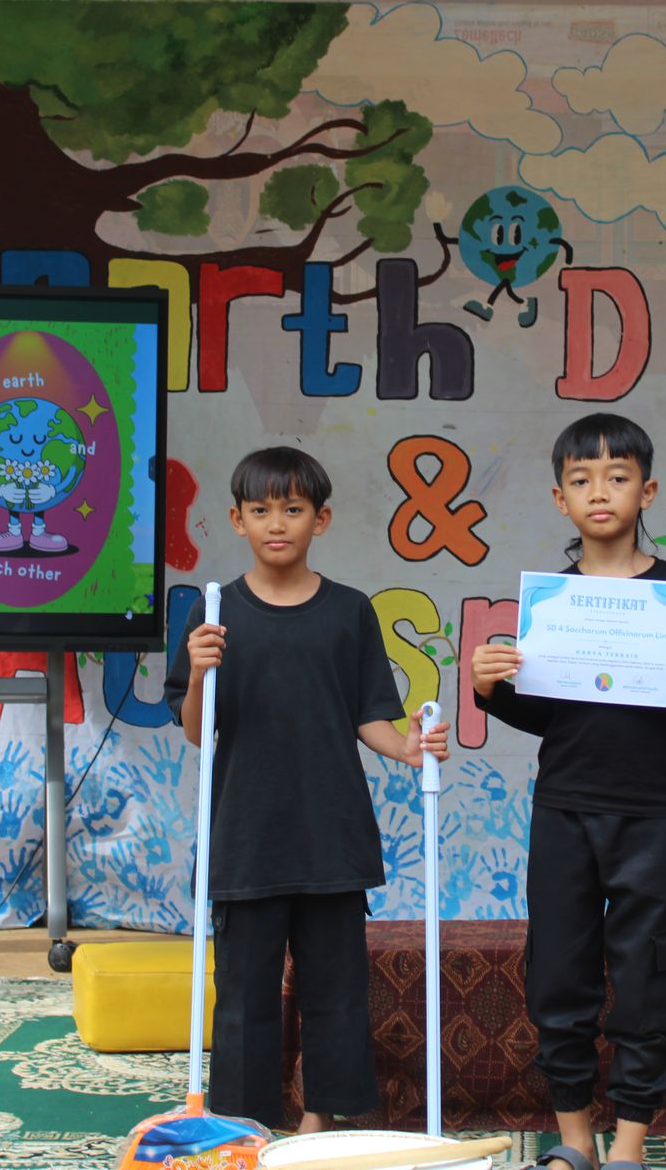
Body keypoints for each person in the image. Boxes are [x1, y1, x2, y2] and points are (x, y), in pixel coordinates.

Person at [471, 413, 666, 1170]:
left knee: (646, 973)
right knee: (557, 972)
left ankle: (628, 1145)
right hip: (563, 807)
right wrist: (489, 689)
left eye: (618, 476)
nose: (600, 492)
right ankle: (576, 1143)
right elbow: (546, 714)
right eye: (582, 479)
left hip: (652, 811)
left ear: (647, 491)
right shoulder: (551, 601)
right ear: (560, 499)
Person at [164, 445, 450, 1133]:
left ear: (320, 519)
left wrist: (408, 749)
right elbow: (199, 732)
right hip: (245, 835)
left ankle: (320, 1119)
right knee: (243, 994)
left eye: (292, 509)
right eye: (261, 510)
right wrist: (199, 672)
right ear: (236, 519)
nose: (277, 523)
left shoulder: (349, 611)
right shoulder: (214, 614)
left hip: (332, 834)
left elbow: (369, 716)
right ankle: (244, 1125)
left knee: (336, 989)